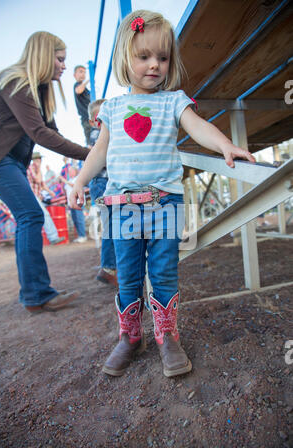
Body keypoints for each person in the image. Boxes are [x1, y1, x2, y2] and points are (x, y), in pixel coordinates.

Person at [69, 10, 256, 378]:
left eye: (163, 57)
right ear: (126, 57)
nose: (154, 65)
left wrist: (225, 146)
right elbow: (100, 151)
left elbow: (197, 126)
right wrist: (78, 181)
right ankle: (129, 336)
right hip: (120, 206)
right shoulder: (113, 107)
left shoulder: (174, 101)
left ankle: (167, 336)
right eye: (144, 56)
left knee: (165, 272)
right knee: (127, 274)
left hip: (165, 203)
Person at [0, 31, 90, 313]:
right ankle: (36, 294)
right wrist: (92, 154)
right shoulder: (14, 81)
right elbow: (41, 135)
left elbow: (53, 133)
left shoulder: (41, 89)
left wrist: (90, 156)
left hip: (12, 162)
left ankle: (35, 293)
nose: (63, 66)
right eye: (60, 59)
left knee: (30, 216)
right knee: (30, 215)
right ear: (45, 55)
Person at [88, 99, 117, 286]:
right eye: (100, 118)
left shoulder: (110, 133)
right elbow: (102, 158)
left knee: (116, 223)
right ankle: (108, 268)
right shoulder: (95, 135)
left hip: (107, 182)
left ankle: (111, 267)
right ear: (93, 122)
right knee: (113, 224)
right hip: (101, 182)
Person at [27, 152, 65, 245]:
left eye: (40, 159)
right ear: (35, 160)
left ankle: (33, 241)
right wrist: (39, 168)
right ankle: (53, 237)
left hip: (37, 196)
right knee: (45, 214)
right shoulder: (31, 167)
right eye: (38, 159)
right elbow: (38, 180)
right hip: (32, 195)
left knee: (35, 218)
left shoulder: (37, 170)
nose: (40, 161)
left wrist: (50, 192)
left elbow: (42, 185)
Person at [60, 166, 87, 243]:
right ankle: (80, 236)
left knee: (79, 219)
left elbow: (74, 186)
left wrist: (64, 180)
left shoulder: (78, 178)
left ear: (75, 171)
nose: (70, 172)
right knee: (75, 220)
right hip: (71, 204)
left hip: (78, 202)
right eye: (69, 171)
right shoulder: (70, 180)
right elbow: (65, 190)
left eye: (71, 171)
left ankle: (83, 236)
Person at [73, 65, 91, 146]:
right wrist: (88, 80)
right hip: (86, 118)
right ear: (75, 75)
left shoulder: (86, 89)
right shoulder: (77, 85)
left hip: (91, 117)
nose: (83, 74)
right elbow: (78, 90)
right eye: (80, 72)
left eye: (84, 72)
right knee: (91, 142)